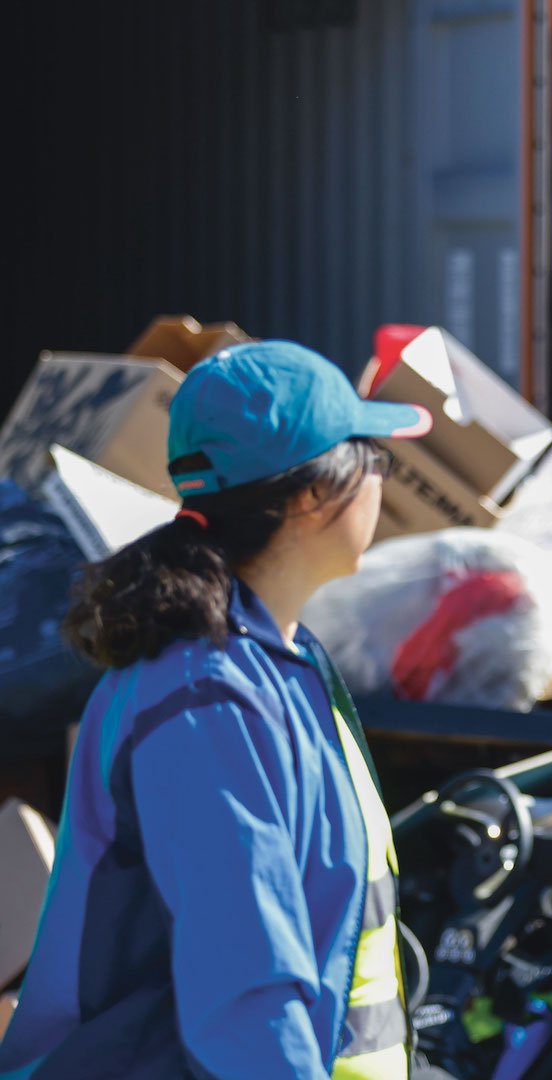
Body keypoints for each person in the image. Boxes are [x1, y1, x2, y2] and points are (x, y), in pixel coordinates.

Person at [0, 341, 433, 1080]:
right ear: (307, 497)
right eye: (373, 458)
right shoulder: (210, 701)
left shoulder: (277, 664)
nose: (382, 482)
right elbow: (246, 990)